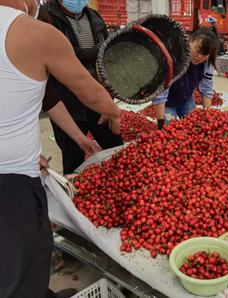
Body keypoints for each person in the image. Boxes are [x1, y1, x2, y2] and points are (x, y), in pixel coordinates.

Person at [0, 2, 121, 298]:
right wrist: (114, 111)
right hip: (11, 183)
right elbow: (88, 90)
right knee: (23, 260)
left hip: (13, 168)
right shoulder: (36, 32)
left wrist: (79, 138)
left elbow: (44, 98)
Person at [44, 0, 124, 175]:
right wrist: (97, 50)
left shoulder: (94, 17)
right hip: (67, 104)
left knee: (118, 151)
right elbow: (63, 56)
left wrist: (108, 99)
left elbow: (107, 57)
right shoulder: (47, 17)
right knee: (73, 159)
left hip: (98, 100)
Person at [152, 26, 218, 128]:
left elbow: (206, 89)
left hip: (186, 99)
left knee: (195, 127)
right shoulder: (174, 57)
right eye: (198, 50)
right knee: (169, 131)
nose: (199, 57)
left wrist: (207, 116)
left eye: (205, 54)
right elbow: (161, 91)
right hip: (167, 102)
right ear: (191, 41)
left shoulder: (206, 64)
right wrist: (161, 122)